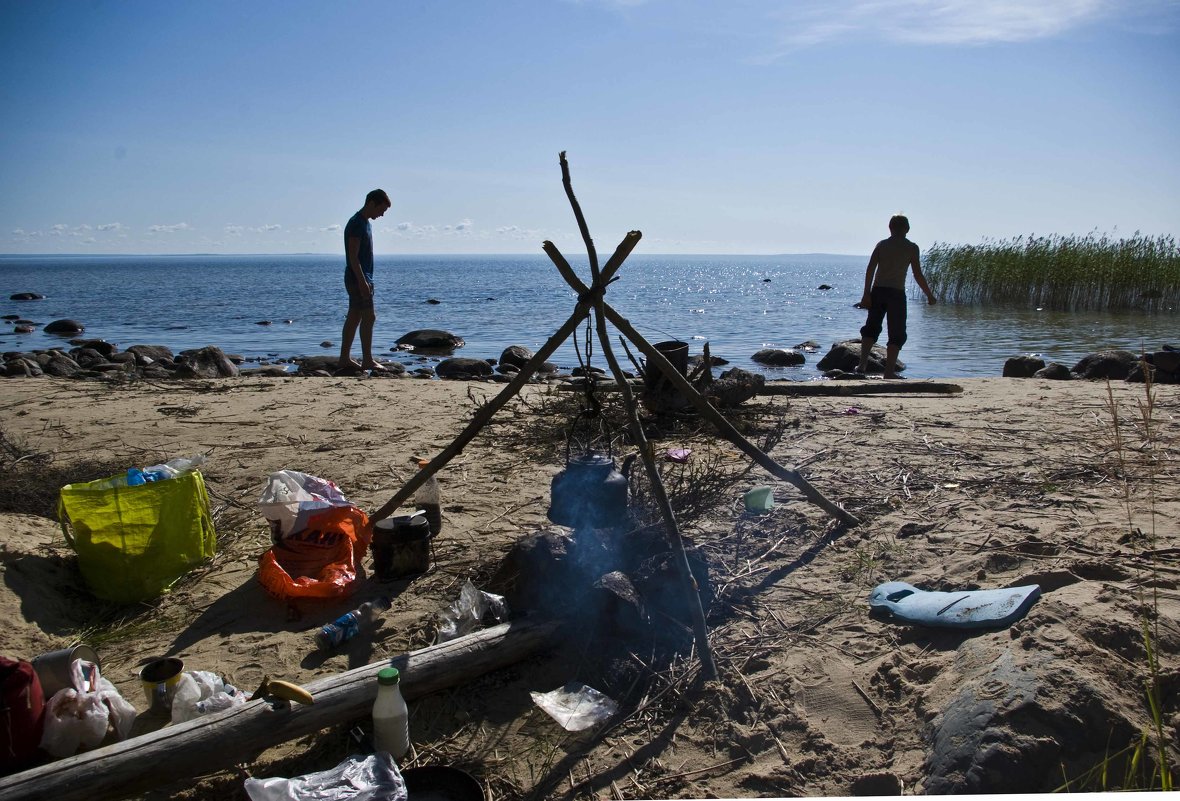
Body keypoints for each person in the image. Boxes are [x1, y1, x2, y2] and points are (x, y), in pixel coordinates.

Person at [855, 214, 936, 378]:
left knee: (871, 327)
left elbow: (870, 269)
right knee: (897, 332)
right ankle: (889, 371)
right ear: (907, 229)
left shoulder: (882, 245)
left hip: (878, 291)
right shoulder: (912, 247)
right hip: (896, 293)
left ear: (890, 227)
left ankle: (862, 364)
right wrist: (929, 295)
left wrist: (866, 294)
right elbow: (918, 274)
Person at [338, 188, 393, 374]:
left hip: (362, 277)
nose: (382, 214)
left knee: (354, 316)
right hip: (358, 278)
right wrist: (362, 281)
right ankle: (367, 360)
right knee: (369, 316)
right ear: (372, 203)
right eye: (381, 210)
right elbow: (353, 256)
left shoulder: (365, 223)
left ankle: (344, 358)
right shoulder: (356, 223)